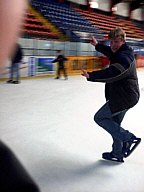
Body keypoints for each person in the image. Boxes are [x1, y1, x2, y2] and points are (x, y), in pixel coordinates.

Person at [81, 27, 141, 163]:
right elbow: (110, 52)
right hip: (126, 95)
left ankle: (129, 138)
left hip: (124, 97)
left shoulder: (124, 57)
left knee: (100, 118)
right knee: (115, 125)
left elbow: (112, 73)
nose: (113, 45)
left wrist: (92, 75)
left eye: (116, 42)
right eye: (111, 42)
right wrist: (97, 45)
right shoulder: (121, 51)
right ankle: (117, 153)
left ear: (123, 41)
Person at [0, 0, 40, 191]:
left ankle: (15, 80)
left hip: (15, 62)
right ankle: (14, 79)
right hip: (13, 61)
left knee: (15, 72)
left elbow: (17, 56)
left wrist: (14, 59)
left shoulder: (17, 48)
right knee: (14, 71)